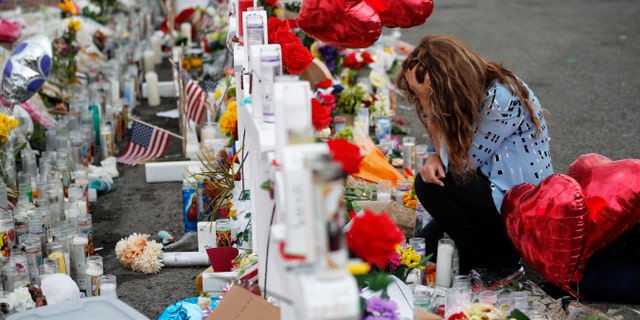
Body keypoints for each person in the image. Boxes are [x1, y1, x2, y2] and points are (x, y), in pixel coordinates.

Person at [395, 34, 553, 277]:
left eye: (428, 90)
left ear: (447, 80)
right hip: (490, 188)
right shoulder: (473, 87)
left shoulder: (500, 98)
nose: (425, 97)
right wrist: (435, 156)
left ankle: (503, 262)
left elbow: (461, 163)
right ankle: (483, 252)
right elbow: (449, 145)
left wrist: (428, 103)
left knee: (431, 186)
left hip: (519, 208)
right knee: (422, 249)